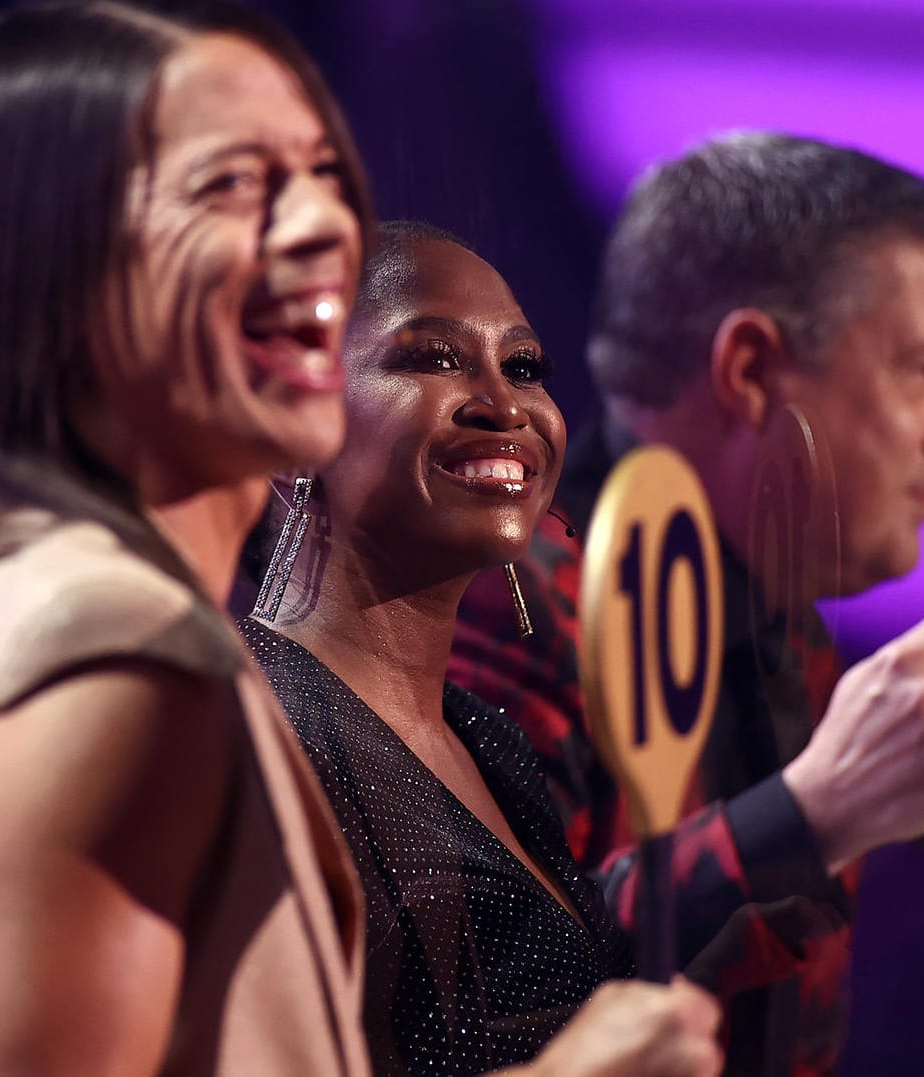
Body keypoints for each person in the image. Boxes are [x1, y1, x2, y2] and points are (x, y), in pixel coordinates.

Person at [0, 6, 717, 1076]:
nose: (319, 230)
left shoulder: (63, 609)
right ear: (67, 267)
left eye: (322, 174)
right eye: (231, 185)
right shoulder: (106, 658)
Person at [450, 132, 924, 1074]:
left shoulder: (792, 635)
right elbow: (481, 1001)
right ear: (749, 368)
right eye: (921, 370)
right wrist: (812, 813)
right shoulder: (508, 595)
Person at [244, 222, 719, 1077]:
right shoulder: (247, 727)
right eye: (431, 358)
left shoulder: (490, 741)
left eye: (526, 367)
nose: (505, 406)